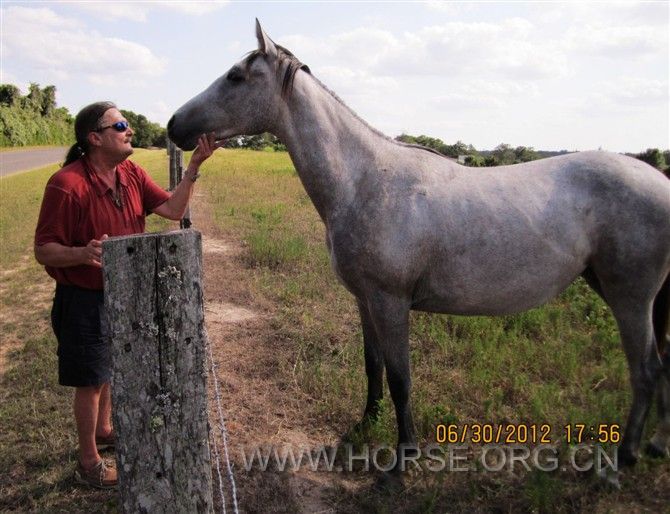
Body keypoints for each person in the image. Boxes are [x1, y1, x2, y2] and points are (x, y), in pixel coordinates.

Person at [34, 101, 223, 489]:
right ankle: (89, 463)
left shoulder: (131, 173)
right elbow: (43, 249)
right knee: (89, 379)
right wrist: (82, 253)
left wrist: (193, 169)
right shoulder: (67, 185)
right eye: (120, 125)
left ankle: (105, 429)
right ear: (95, 137)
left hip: (122, 294)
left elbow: (172, 209)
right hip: (83, 299)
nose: (129, 130)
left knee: (108, 369)